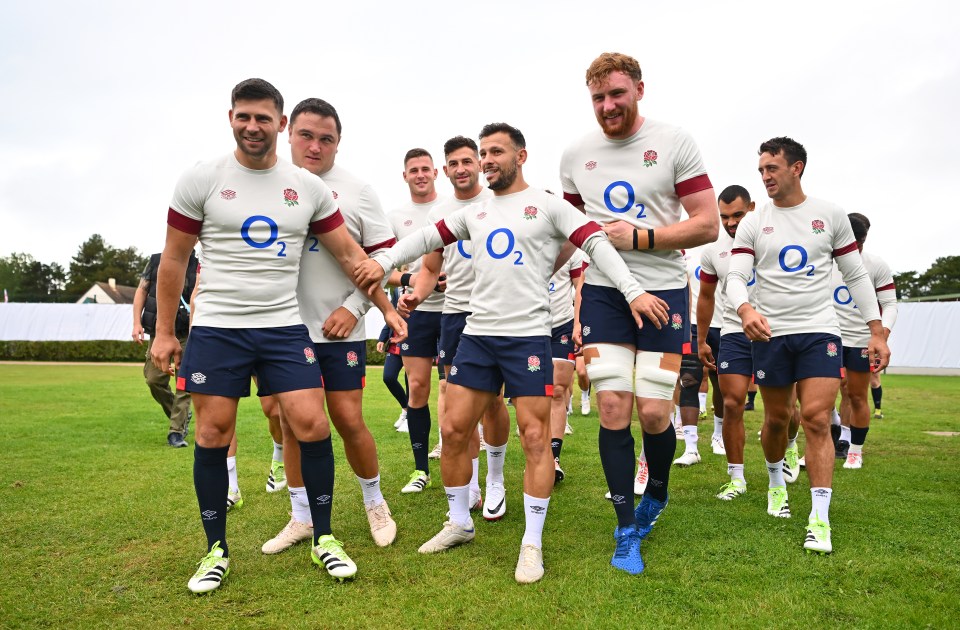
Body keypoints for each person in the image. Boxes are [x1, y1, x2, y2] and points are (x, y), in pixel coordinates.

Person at [355, 122, 658, 584]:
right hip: (477, 335)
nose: (488, 159)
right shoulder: (474, 213)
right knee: (454, 429)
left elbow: (596, 242)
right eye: (483, 152)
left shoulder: (550, 206)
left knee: (534, 438)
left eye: (496, 151)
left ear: (521, 155)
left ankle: (531, 544)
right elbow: (425, 240)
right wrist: (384, 260)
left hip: (527, 338)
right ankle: (459, 522)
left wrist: (633, 290)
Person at [150, 78, 406, 593]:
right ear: (230, 119)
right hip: (219, 327)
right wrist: (162, 332)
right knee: (211, 433)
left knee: (312, 423)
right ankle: (215, 551)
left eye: (263, 117)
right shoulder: (200, 179)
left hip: (283, 326)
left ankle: (324, 537)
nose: (253, 126)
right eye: (243, 116)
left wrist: (390, 296)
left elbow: (352, 257)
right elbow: (174, 259)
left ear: (279, 123)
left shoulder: (308, 189)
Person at [559, 52, 719, 574]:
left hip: (665, 293)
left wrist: (643, 237)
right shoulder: (576, 154)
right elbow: (566, 233)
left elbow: (707, 225)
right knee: (611, 409)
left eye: (617, 95)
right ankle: (626, 527)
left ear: (639, 91)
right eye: (598, 98)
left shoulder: (674, 141)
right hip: (605, 293)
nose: (608, 106)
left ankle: (658, 494)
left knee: (653, 413)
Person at [727, 136, 891, 554]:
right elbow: (735, 277)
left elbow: (855, 276)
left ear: (796, 167)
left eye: (772, 168)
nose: (764, 176)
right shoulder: (753, 221)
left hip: (820, 331)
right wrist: (746, 310)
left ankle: (819, 519)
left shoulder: (829, 214)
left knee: (818, 418)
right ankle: (776, 482)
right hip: (769, 334)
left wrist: (876, 330)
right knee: (778, 420)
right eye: (760, 169)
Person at [259, 97, 399, 555]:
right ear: (287, 133)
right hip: (283, 331)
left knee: (346, 418)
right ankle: (301, 517)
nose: (315, 146)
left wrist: (356, 308)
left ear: (339, 142)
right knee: (294, 421)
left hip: (340, 330)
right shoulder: (264, 183)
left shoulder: (355, 191)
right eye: (306, 135)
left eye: (326, 139)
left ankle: (375, 502)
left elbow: (383, 259)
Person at [399, 136, 512, 520]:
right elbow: (430, 269)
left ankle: (496, 480)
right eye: (454, 163)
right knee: (458, 403)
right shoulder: (441, 213)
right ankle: (475, 482)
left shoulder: (499, 203)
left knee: (493, 400)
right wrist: (415, 295)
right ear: (445, 170)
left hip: (496, 315)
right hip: (455, 315)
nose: (462, 168)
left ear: (479, 165)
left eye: (468, 160)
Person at [386, 149, 446, 494]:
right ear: (405, 175)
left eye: (426, 169)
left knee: (459, 391)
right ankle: (420, 469)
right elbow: (383, 268)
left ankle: (462, 463)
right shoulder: (396, 217)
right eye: (414, 170)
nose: (420, 174)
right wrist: (413, 282)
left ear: (436, 172)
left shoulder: (455, 207)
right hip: (417, 313)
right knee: (418, 387)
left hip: (456, 310)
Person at [697, 185, 757, 499]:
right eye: (724, 217)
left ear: (753, 208)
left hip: (776, 333)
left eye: (738, 215)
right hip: (733, 332)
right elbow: (706, 297)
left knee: (785, 412)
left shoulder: (772, 238)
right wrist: (702, 339)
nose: (731, 223)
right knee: (732, 403)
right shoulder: (713, 250)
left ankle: (788, 447)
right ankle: (737, 478)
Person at [832, 212, 897, 469]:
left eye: (861, 241)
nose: (856, 246)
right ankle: (825, 444)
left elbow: (890, 304)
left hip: (861, 341)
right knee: (822, 398)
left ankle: (854, 451)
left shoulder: (875, 265)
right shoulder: (827, 263)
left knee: (856, 395)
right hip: (828, 338)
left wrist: (880, 336)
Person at [132, 251, 198, 447]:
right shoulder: (156, 261)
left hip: (188, 332)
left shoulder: (200, 263)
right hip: (159, 331)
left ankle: (176, 432)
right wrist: (137, 323)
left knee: (184, 384)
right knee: (154, 379)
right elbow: (142, 290)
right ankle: (179, 415)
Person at [548, 248, 587, 483]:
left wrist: (578, 324)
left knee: (558, 392)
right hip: (527, 325)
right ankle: (537, 455)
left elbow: (579, 286)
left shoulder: (570, 246)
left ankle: (553, 458)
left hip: (561, 324)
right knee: (530, 397)